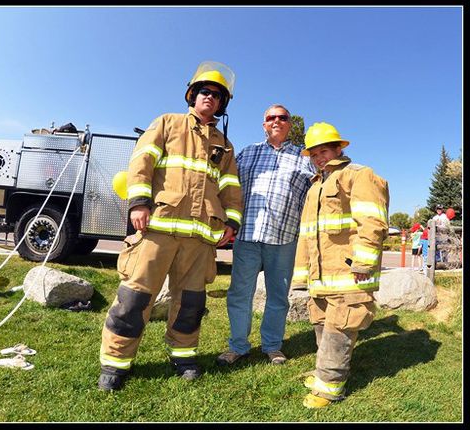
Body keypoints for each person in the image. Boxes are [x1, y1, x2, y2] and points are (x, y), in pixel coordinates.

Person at [97, 61, 243, 391]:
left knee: (191, 304)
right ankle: (116, 362)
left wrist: (231, 222)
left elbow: (231, 188)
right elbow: (141, 163)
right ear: (192, 95)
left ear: (222, 104)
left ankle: (183, 356)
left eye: (218, 95)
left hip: (199, 240)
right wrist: (138, 203)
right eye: (205, 91)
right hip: (157, 229)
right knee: (134, 299)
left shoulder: (225, 145)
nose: (211, 97)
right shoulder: (167, 123)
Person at [291, 122, 389, 408]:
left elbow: (372, 221)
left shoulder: (359, 176)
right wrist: (302, 274)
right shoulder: (315, 187)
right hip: (321, 277)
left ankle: (330, 388)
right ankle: (325, 372)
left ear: (338, 149)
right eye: (313, 154)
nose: (319, 157)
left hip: (349, 274)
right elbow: (307, 235)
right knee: (322, 324)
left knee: (340, 327)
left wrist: (363, 262)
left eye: (324, 151)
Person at [216, 104, 316, 367]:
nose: (276, 121)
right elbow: (228, 189)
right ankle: (238, 346)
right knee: (239, 294)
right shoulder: (247, 153)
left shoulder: (304, 158)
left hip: (284, 238)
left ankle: (272, 346)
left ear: (289, 124)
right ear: (264, 124)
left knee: (278, 296)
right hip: (247, 236)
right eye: (271, 118)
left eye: (282, 118)